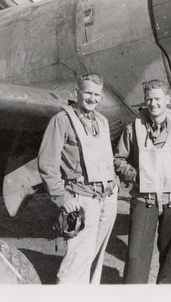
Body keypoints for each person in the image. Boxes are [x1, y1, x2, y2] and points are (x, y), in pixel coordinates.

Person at [38, 73, 118, 284]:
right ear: (77, 93)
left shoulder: (102, 121)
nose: (92, 98)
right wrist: (62, 198)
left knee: (95, 260)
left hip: (107, 200)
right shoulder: (61, 120)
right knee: (76, 262)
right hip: (82, 200)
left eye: (96, 94)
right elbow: (47, 164)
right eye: (88, 93)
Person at [114, 79, 171, 284]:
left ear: (167, 99)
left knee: (169, 257)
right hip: (143, 200)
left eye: (157, 99)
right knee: (136, 256)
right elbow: (118, 160)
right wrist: (137, 176)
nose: (153, 103)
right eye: (149, 99)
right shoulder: (132, 129)